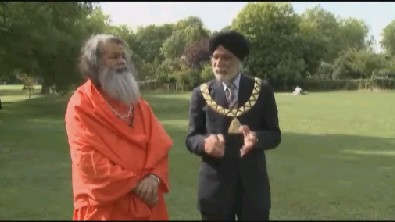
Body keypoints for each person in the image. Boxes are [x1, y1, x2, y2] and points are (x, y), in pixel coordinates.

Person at [65, 34, 173, 220]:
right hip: (106, 209)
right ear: (95, 64)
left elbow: (159, 148)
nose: (122, 61)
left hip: (149, 205)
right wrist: (137, 184)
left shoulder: (138, 104)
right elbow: (88, 161)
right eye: (114, 57)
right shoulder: (80, 105)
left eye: (123, 56)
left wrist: (154, 178)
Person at [185, 30, 281, 220]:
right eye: (215, 57)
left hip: (253, 189)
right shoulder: (201, 93)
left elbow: (275, 135)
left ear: (239, 60)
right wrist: (205, 144)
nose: (219, 64)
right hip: (215, 190)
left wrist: (257, 138)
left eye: (226, 58)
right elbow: (191, 138)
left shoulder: (262, 90)